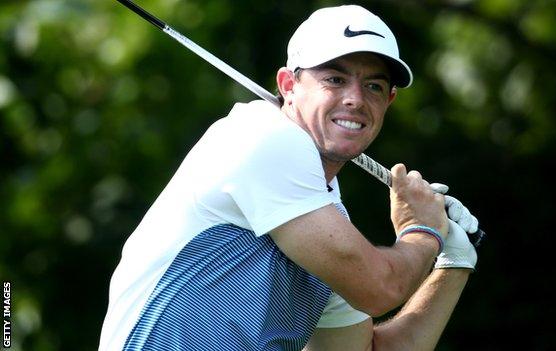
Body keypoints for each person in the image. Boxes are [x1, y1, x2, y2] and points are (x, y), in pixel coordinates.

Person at [99, 5, 480, 351]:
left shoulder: (326, 223)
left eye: (374, 86)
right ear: (287, 85)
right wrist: (423, 231)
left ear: (388, 102)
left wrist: (453, 262)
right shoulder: (263, 137)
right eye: (334, 79)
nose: (355, 99)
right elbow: (381, 288)